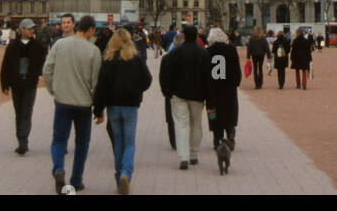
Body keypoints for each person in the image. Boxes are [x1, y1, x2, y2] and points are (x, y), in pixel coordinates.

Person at [42, 14, 102, 194]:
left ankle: (59, 168)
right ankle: (76, 180)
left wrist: (54, 89)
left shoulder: (60, 45)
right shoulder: (93, 50)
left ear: (77, 26)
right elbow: (95, 81)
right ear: (90, 29)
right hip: (83, 103)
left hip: (63, 100)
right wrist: (96, 104)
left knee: (59, 139)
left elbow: (47, 70)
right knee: (82, 142)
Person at [93, 28, 153, 194]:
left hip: (113, 105)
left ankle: (119, 176)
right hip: (131, 105)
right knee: (129, 143)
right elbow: (147, 80)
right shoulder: (136, 58)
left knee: (118, 142)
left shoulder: (108, 59)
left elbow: (101, 87)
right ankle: (126, 173)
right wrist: (136, 90)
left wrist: (98, 110)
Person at [158, 23, 210, 170]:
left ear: (184, 36)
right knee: (196, 124)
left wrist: (167, 92)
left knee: (181, 125)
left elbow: (165, 75)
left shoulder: (174, 53)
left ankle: (183, 157)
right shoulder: (204, 54)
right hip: (198, 96)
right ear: (197, 37)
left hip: (178, 95)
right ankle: (194, 154)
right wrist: (209, 97)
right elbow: (209, 78)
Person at [0, 18, 47, 155]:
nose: (32, 30)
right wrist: (4, 84)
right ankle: (20, 138)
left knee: (26, 112)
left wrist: (39, 75)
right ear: (22, 30)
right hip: (16, 83)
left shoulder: (38, 46)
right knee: (18, 112)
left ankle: (23, 140)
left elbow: (43, 63)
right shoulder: (12, 46)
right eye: (29, 28)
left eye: (33, 28)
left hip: (30, 83)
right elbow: (6, 66)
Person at [205, 28, 241, 151]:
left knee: (213, 113)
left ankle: (217, 138)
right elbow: (237, 70)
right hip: (229, 88)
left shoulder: (207, 51)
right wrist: (236, 83)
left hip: (213, 89)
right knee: (230, 112)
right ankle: (230, 132)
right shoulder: (231, 49)